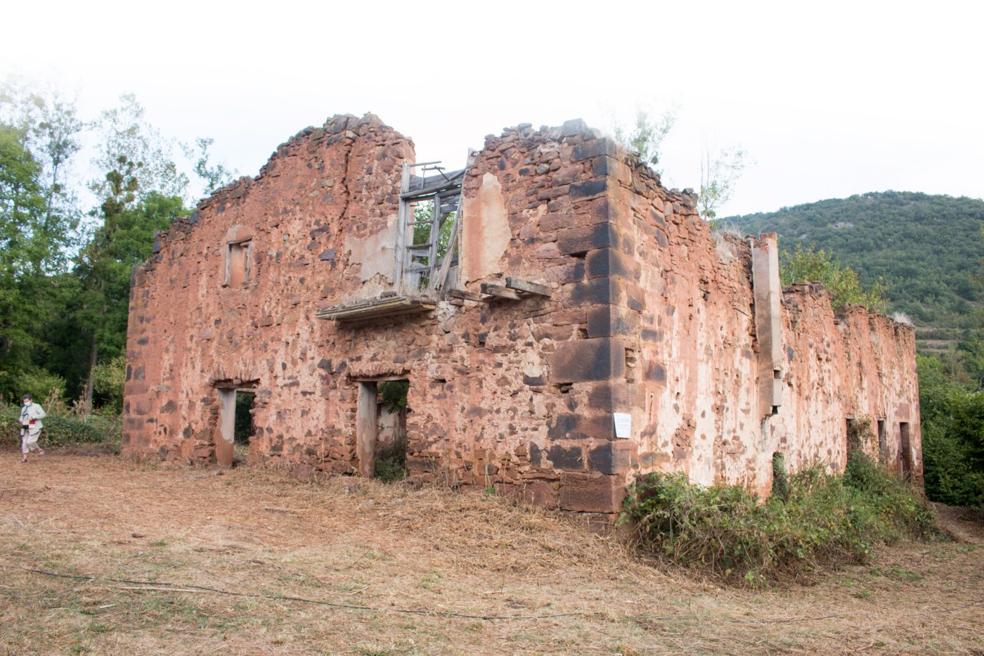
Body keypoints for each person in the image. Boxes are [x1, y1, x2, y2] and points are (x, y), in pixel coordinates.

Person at [19, 393, 46, 463]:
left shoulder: (36, 406)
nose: (25, 403)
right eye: (24, 401)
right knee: (24, 442)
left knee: (30, 442)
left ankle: (40, 450)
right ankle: (24, 458)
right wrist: (20, 419)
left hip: (35, 426)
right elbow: (21, 416)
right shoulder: (24, 408)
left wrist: (34, 417)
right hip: (25, 426)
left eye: (27, 401)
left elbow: (43, 414)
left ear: (31, 400)